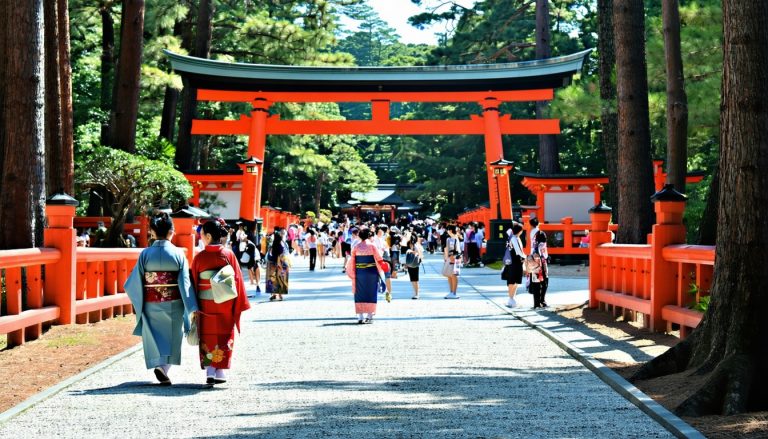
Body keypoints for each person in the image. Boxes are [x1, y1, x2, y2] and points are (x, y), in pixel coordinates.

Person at [124, 213, 199, 385]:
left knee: (154, 335)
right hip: (174, 302)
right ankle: (164, 368)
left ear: (152, 232)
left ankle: (159, 364)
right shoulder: (178, 254)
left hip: (150, 302)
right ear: (171, 232)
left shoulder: (145, 254)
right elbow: (184, 282)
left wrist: (140, 299)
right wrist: (191, 306)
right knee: (174, 336)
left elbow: (134, 281)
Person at [190, 219, 251, 386]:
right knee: (224, 335)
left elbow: (194, 282)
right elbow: (237, 280)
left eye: (201, 235)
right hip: (226, 303)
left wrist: (193, 305)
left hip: (205, 304)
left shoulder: (200, 257)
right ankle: (220, 371)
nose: (200, 237)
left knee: (208, 335)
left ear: (208, 236)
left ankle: (210, 370)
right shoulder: (229, 254)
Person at [345, 227, 385, 324]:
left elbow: (352, 261)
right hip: (371, 272)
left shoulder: (356, 247)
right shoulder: (372, 246)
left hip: (360, 273)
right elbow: (379, 259)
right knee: (371, 293)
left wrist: (352, 271)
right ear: (368, 236)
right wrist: (384, 269)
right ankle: (370, 315)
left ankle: (360, 316)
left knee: (359, 293)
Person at [501, 222, 526, 308]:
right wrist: (526, 256)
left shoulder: (513, 237)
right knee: (512, 280)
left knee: (514, 280)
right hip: (514, 261)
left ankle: (512, 299)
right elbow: (518, 251)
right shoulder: (514, 238)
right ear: (520, 231)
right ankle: (511, 299)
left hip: (514, 261)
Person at [266, 230, 291, 301]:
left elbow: (270, 253)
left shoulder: (272, 245)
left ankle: (273, 294)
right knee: (280, 278)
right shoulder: (281, 244)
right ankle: (280, 295)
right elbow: (281, 255)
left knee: (272, 278)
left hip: (271, 263)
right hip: (280, 263)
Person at [443, 224, 462, 299]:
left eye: (448, 230)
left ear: (450, 230)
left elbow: (452, 249)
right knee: (451, 275)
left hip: (454, 258)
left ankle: (453, 292)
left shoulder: (452, 238)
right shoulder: (453, 238)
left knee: (453, 275)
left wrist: (450, 257)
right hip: (454, 258)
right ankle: (452, 292)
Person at [405, 234, 424, 299]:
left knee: (415, 279)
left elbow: (418, 253)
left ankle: (417, 293)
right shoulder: (411, 245)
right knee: (413, 279)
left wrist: (411, 251)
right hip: (412, 264)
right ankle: (416, 293)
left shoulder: (415, 245)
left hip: (413, 263)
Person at [534, 230, 550, 307]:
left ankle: (536, 302)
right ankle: (542, 300)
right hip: (542, 265)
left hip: (535, 266)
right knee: (545, 283)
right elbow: (545, 255)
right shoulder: (543, 245)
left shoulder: (534, 245)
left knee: (537, 284)